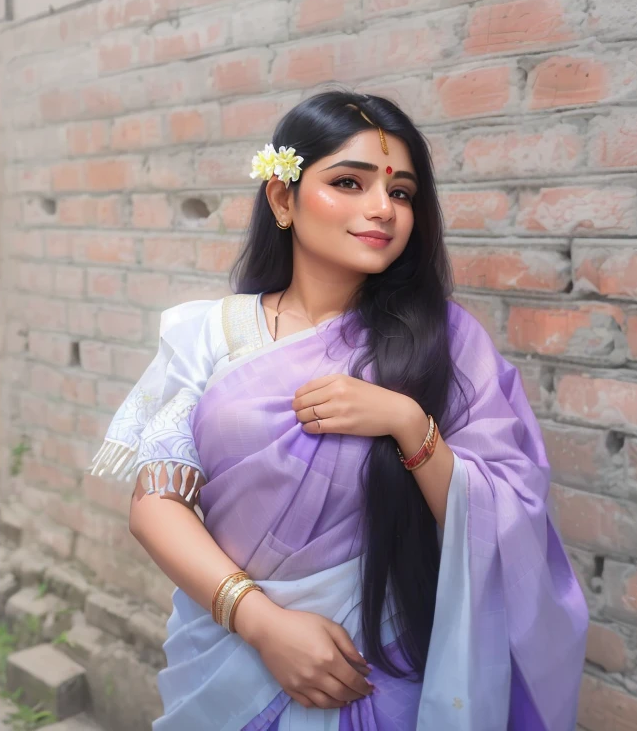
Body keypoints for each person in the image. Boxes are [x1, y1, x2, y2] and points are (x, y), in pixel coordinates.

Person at [88, 88, 589, 731]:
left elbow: (509, 509)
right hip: (229, 655)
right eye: (349, 182)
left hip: (380, 666)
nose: (382, 208)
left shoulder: (447, 342)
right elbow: (156, 504)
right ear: (281, 197)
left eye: (401, 192)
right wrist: (263, 623)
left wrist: (409, 424)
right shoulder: (208, 335)